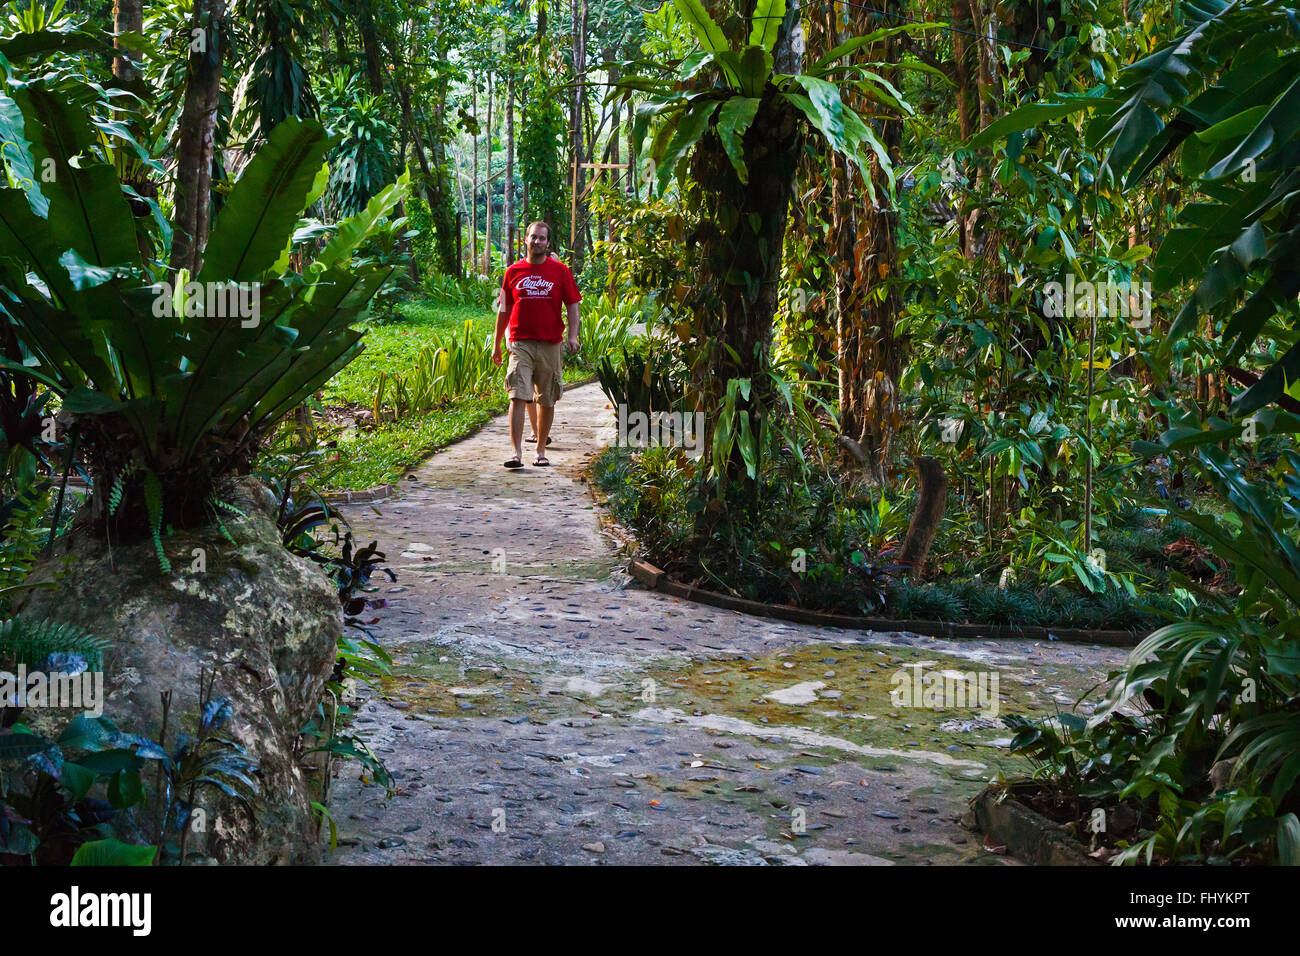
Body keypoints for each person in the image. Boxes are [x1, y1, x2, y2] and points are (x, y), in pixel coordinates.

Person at [491, 221, 581, 467]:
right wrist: (497, 343)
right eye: (533, 237)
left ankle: (541, 450)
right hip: (520, 343)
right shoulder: (513, 271)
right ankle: (516, 453)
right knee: (517, 395)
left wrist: (573, 336)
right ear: (526, 240)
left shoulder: (560, 271)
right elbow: (504, 310)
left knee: (547, 398)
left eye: (542, 238)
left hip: (551, 343)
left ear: (548, 243)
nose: (537, 242)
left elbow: (573, 305)